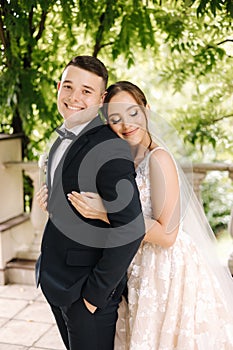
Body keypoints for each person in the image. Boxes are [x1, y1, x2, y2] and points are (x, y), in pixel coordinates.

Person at [67, 81, 233, 349]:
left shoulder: (159, 159)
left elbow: (168, 235)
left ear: (146, 110)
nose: (126, 124)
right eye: (115, 119)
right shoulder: (128, 159)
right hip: (140, 261)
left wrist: (107, 213)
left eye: (132, 113)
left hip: (166, 267)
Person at [35, 58, 145, 350]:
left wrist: (92, 299)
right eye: (68, 86)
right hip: (56, 280)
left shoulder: (108, 146)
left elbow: (132, 228)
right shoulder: (61, 138)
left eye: (86, 91)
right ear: (58, 88)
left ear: (102, 98)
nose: (74, 97)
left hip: (85, 294)